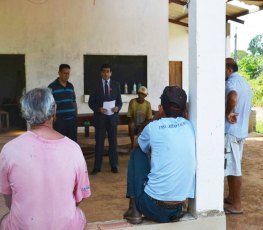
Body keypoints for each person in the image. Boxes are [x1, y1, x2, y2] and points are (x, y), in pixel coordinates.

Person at [0, 88, 91, 229]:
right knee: (81, 216)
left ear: (25, 113)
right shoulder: (73, 149)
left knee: (5, 219)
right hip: (65, 226)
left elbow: (8, 199)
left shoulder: (9, 149)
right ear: (54, 110)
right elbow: (81, 196)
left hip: (25, 226)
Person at [124, 86, 196, 224]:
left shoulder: (153, 127)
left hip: (153, 207)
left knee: (137, 154)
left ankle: (134, 209)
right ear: (183, 109)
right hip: (177, 208)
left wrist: (155, 116)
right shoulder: (190, 126)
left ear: (161, 107)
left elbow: (136, 143)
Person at [224, 58, 253, 215]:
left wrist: (228, 112)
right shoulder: (245, 83)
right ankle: (231, 197)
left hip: (231, 132)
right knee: (231, 165)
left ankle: (236, 205)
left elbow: (233, 97)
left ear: (229, 69)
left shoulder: (231, 83)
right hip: (242, 132)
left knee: (235, 168)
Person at [88, 64, 122, 175]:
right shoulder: (95, 85)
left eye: (108, 71)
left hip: (112, 118)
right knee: (99, 143)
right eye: (104, 71)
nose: (106, 73)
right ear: (101, 73)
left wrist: (117, 108)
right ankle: (97, 167)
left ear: (111, 73)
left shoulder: (116, 85)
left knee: (113, 143)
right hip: (100, 118)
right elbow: (90, 102)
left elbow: (119, 102)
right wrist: (98, 109)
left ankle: (114, 165)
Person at [48, 64, 78, 142]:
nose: (67, 75)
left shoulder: (71, 86)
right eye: (64, 73)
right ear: (59, 73)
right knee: (59, 143)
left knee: (72, 143)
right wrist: (52, 117)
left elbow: (74, 101)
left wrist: (75, 115)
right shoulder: (51, 87)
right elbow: (49, 105)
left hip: (71, 121)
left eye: (68, 73)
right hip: (59, 121)